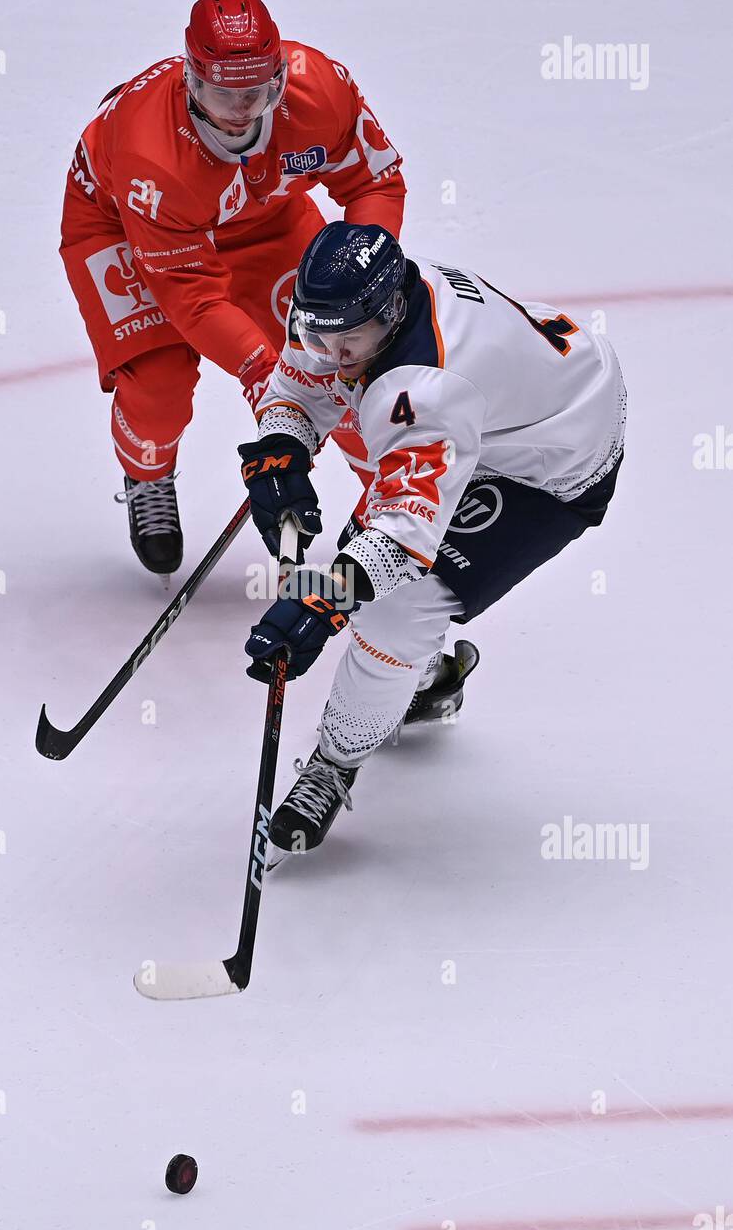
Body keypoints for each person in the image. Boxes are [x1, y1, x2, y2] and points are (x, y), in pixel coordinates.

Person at [239, 222, 626, 852]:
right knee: (374, 588)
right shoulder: (349, 306)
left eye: (348, 342)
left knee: (395, 610)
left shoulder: (422, 388)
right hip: (501, 407)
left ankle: (336, 763)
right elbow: (301, 386)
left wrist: (325, 601)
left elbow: (401, 533)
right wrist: (284, 445)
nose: (330, 354)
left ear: (390, 314)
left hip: (555, 455)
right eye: (317, 334)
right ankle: (423, 679)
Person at [60, 0, 405, 577]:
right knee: (159, 386)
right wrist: (264, 379)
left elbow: (375, 180)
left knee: (346, 355)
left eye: (258, 91)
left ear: (280, 74)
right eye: (223, 93)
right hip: (123, 223)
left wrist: (359, 274)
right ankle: (148, 473)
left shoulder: (318, 88)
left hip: (267, 217)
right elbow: (194, 296)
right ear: (190, 81)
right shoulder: (152, 153)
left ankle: (393, 514)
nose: (242, 109)